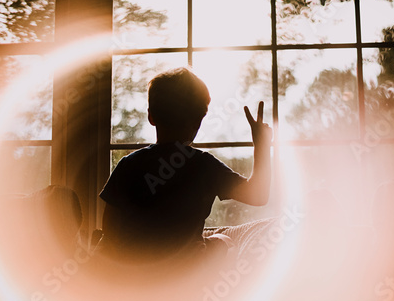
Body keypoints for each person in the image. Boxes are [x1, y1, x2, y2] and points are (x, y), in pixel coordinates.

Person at [99, 67, 272, 265]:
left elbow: (109, 230)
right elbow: (258, 195)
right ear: (198, 121)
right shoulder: (204, 165)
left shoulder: (128, 165)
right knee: (225, 241)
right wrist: (262, 145)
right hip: (185, 270)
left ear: (151, 116)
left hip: (140, 272)